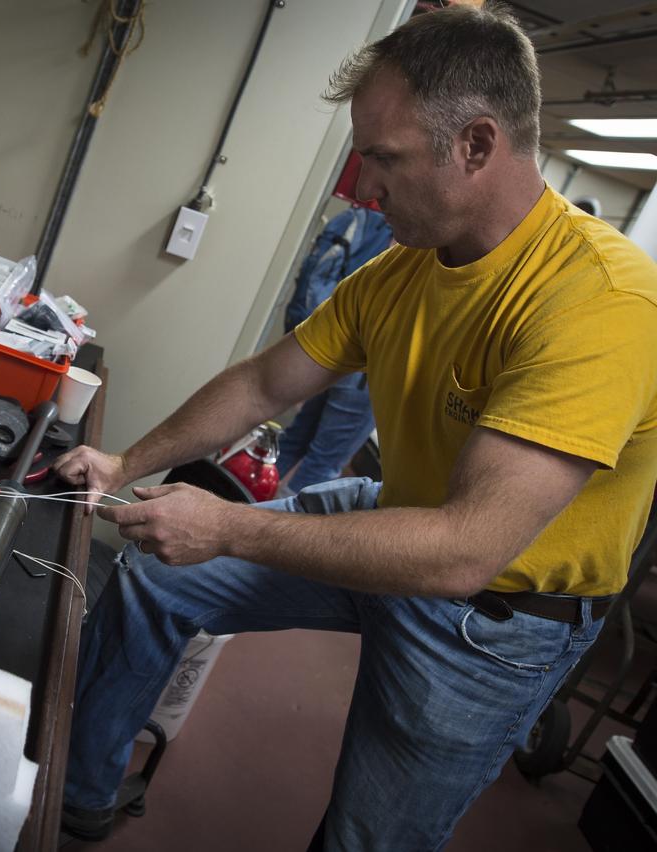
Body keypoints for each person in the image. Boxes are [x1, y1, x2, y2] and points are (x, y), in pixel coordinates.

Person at [53, 5, 657, 850]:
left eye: (383, 158)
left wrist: (227, 526)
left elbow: (461, 551)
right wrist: (125, 460)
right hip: (398, 515)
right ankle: (69, 794)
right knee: (157, 579)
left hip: (490, 618)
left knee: (367, 838)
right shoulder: (404, 267)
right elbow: (268, 381)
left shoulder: (601, 301)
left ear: (476, 146)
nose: (362, 190)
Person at [276, 205, 392, 492]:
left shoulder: (378, 226)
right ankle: (263, 532)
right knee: (324, 464)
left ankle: (240, 497)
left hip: (336, 349)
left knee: (296, 439)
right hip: (369, 366)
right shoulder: (425, 249)